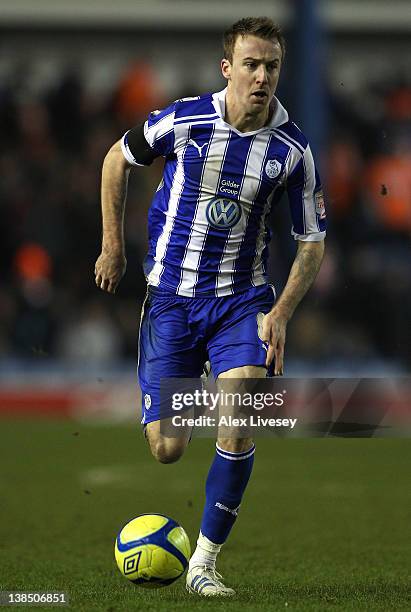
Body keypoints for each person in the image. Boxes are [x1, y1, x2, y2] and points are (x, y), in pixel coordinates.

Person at [95, 16, 326, 597]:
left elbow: (312, 241)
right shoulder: (184, 120)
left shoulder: (294, 151)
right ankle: (199, 385)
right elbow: (114, 161)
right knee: (168, 450)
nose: (262, 76)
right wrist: (113, 248)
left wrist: (281, 314)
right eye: (251, 64)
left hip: (242, 302)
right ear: (228, 68)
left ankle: (203, 564)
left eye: (272, 66)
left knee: (243, 414)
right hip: (171, 298)